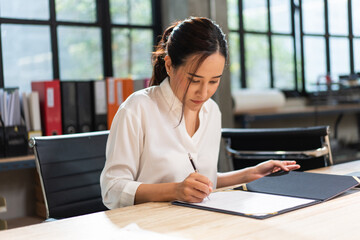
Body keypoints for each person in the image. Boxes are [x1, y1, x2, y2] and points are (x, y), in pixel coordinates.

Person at [100, 17, 300, 209]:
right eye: (194, 80)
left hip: (196, 224)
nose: (204, 93)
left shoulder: (211, 112)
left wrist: (251, 173)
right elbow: (112, 189)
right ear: (169, 65)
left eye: (213, 81)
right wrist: (175, 190)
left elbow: (204, 183)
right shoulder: (137, 108)